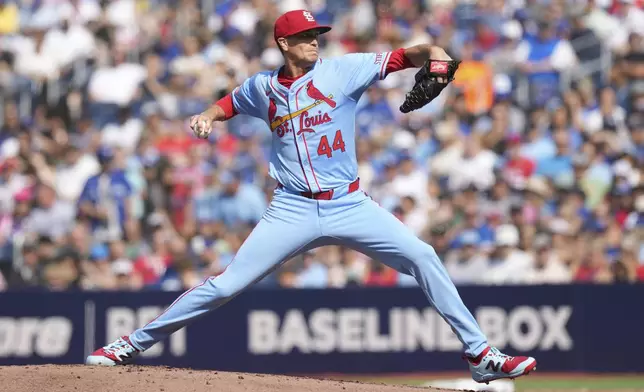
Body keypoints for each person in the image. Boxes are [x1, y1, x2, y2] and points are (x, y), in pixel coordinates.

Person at [86, 10, 537, 384]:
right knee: (225, 284)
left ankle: (480, 354)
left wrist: (437, 54)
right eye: (306, 36)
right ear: (284, 43)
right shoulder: (262, 87)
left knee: (422, 255)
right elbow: (230, 102)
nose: (315, 41)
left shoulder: (343, 70)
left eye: (317, 34)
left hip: (349, 202)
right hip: (293, 207)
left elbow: (409, 54)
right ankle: (131, 344)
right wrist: (207, 115)